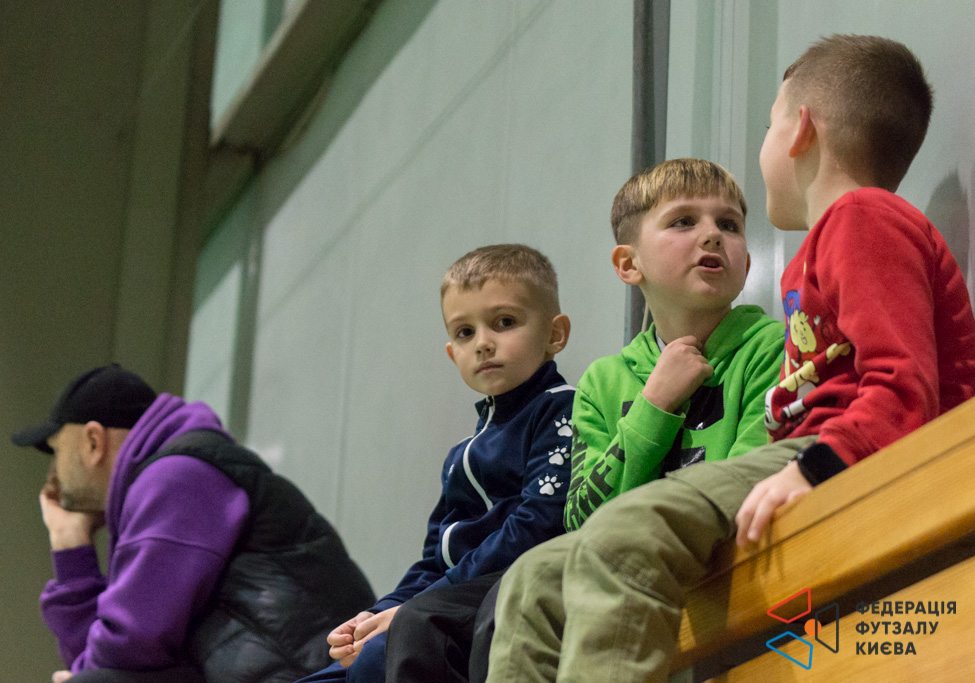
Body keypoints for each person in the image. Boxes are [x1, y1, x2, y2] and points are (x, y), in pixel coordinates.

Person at [485, 35, 975, 683]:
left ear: (800, 130)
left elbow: (903, 386)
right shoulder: (827, 244)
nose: (764, 145)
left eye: (769, 124)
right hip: (802, 452)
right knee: (533, 582)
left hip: (837, 455)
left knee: (627, 534)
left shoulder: (863, 217)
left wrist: (813, 468)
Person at [386, 159, 785, 683]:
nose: (711, 234)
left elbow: (751, 475)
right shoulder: (604, 381)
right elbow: (582, 518)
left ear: (747, 262)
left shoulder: (770, 347)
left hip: (724, 564)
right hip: (621, 567)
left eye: (728, 224)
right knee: (518, 588)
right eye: (684, 221)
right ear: (629, 264)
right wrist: (654, 406)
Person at [294, 244, 576, 683]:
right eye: (465, 332)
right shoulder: (461, 455)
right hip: (441, 600)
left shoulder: (563, 409)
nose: (483, 343)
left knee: (379, 659)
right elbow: (436, 559)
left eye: (504, 322)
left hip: (499, 597)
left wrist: (415, 606)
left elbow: (537, 525)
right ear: (452, 353)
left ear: (555, 334)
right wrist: (379, 613)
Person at [13, 364, 375, 683]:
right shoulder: (176, 472)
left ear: (94, 442)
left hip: (311, 674)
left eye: (57, 450)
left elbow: (128, 645)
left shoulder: (176, 477)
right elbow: (106, 659)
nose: (53, 474)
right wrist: (70, 542)